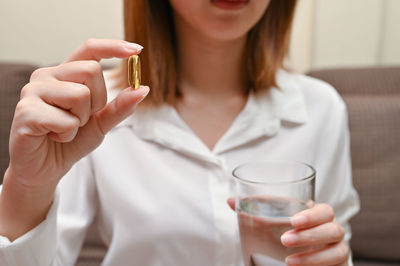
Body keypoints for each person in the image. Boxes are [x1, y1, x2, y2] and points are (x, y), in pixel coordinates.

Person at [0, 0, 359, 265]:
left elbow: (328, 247)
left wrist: (333, 258)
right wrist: (28, 186)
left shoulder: (321, 108)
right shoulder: (90, 107)